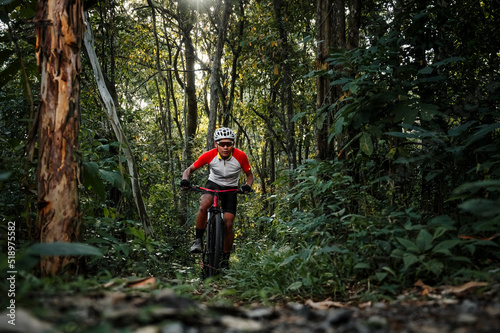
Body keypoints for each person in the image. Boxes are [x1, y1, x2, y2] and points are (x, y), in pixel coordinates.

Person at [180, 127, 254, 268]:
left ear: (233, 143)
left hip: (231, 189)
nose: (225, 147)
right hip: (213, 185)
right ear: (216, 144)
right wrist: (185, 180)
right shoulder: (209, 155)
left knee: (228, 223)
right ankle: (198, 240)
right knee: (204, 204)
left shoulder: (241, 156)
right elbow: (188, 170)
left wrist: (247, 186)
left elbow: (249, 175)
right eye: (222, 144)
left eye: (229, 144)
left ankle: (225, 260)